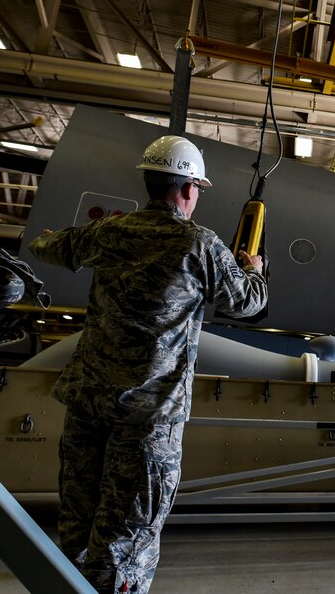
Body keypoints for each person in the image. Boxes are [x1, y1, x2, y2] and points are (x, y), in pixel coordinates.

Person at [29, 134, 268, 593]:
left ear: (150, 182)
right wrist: (254, 268)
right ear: (190, 188)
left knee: (77, 523)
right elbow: (247, 303)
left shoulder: (109, 232)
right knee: (126, 539)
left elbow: (48, 248)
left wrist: (49, 239)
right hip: (148, 415)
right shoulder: (199, 244)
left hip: (88, 405)